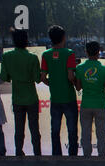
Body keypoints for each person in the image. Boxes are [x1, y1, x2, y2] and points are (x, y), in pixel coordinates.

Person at [0, 29, 41, 156]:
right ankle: (37, 153)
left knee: (19, 129)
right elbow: (37, 79)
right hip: (31, 98)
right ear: (26, 41)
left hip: (17, 98)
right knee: (34, 129)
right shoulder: (33, 58)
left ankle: (18, 152)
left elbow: (4, 77)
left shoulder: (6, 56)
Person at [41, 25, 78, 156]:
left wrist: (54, 84)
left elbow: (43, 77)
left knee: (55, 130)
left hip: (55, 99)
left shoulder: (45, 54)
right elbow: (70, 76)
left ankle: (57, 156)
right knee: (72, 130)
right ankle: (72, 156)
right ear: (63, 37)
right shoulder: (69, 53)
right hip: (69, 98)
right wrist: (75, 83)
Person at [75, 41, 105, 157]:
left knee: (85, 133)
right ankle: (102, 156)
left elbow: (78, 87)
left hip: (86, 104)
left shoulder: (79, 68)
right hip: (100, 105)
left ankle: (87, 156)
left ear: (86, 52)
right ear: (99, 52)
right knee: (101, 133)